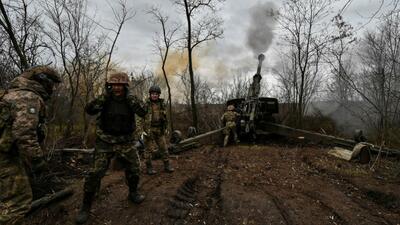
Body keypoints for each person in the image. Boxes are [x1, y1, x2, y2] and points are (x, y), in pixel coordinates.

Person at [75, 72, 147, 224]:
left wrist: (130, 98)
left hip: (126, 140)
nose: (117, 88)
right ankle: (86, 206)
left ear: (125, 86)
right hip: (105, 140)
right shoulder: (105, 98)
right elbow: (89, 109)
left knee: (134, 168)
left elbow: (143, 111)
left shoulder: (130, 99)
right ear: (110, 86)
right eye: (114, 85)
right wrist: (104, 96)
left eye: (120, 85)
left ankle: (133, 192)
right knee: (95, 173)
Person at [0, 66, 61, 225]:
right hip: (5, 158)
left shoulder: (10, 95)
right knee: (17, 202)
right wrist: (38, 163)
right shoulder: (27, 98)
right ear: (43, 81)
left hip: (7, 154)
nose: (53, 88)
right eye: (52, 84)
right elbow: (24, 134)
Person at [142, 85, 174, 175]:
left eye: (156, 94)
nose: (154, 95)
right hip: (149, 129)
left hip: (160, 129)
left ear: (158, 95)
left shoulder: (162, 104)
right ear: (150, 94)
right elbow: (139, 117)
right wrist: (141, 130)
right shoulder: (146, 104)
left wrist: (166, 128)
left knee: (164, 148)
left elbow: (165, 117)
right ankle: (149, 168)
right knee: (148, 150)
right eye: (153, 94)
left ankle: (167, 165)